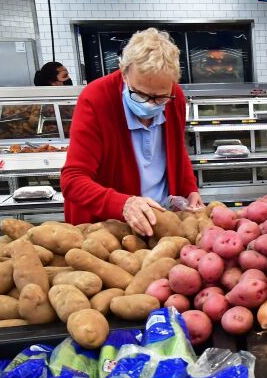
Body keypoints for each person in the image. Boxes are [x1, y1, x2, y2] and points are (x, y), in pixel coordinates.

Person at [61, 28, 203, 235]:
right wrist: (123, 204)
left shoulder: (175, 97)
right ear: (124, 73)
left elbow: (176, 151)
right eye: (140, 94)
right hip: (109, 228)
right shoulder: (96, 99)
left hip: (162, 219)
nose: (150, 104)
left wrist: (190, 188)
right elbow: (73, 180)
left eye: (160, 97)